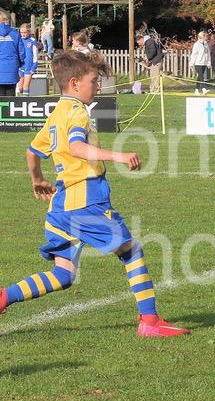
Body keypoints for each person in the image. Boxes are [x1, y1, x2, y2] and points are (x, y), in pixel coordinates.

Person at [0, 50, 189, 338]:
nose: (97, 86)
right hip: (85, 200)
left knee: (63, 274)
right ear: (75, 83)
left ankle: (4, 296)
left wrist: (37, 180)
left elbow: (32, 151)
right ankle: (149, 321)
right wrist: (118, 155)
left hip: (60, 204)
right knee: (131, 250)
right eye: (93, 81)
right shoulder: (76, 112)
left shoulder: (57, 113)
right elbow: (77, 148)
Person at [0, 11, 25, 96]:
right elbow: (21, 53)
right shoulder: (15, 34)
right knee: (10, 98)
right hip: (12, 68)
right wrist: (20, 64)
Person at [18, 24, 38, 97]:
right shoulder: (19, 40)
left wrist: (34, 67)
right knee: (20, 88)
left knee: (25, 86)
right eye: (21, 32)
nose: (23, 34)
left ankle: (25, 100)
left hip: (29, 67)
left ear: (28, 32)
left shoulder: (32, 41)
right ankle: (21, 100)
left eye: (25, 32)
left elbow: (35, 55)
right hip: (20, 66)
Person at [189, 31, 211, 95]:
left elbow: (208, 53)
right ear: (202, 37)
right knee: (201, 76)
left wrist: (208, 61)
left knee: (199, 77)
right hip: (198, 63)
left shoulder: (206, 44)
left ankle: (196, 90)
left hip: (204, 63)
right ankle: (204, 89)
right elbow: (194, 54)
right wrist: (191, 63)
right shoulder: (196, 44)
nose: (206, 37)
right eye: (205, 36)